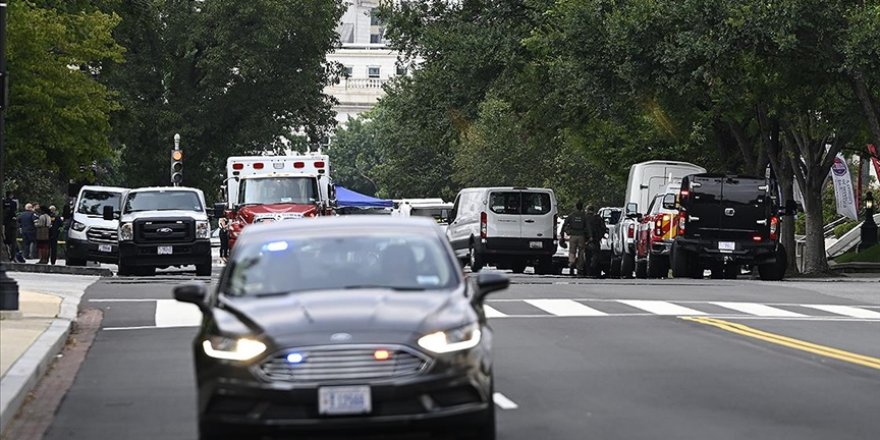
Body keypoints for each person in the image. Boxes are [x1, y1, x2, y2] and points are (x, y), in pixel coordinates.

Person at [560, 201, 588, 276]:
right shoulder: (584, 216)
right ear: (582, 207)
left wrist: (562, 235)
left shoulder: (571, 215)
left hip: (573, 236)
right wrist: (590, 236)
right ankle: (579, 268)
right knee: (581, 252)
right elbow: (588, 227)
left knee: (572, 251)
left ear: (576, 207)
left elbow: (564, 224)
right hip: (581, 236)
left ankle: (571, 263)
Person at [583, 205, 608, 278]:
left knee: (587, 256)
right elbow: (603, 228)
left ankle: (588, 271)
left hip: (586, 240)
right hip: (596, 240)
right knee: (596, 255)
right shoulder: (598, 218)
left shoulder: (585, 218)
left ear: (587, 210)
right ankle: (593, 270)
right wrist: (599, 236)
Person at [2, 191, 22, 262]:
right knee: (13, 241)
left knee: (6, 239)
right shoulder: (14, 203)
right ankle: (12, 257)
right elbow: (15, 212)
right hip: (12, 223)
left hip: (4, 224)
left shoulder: (3, 202)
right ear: (11, 195)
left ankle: (8, 253)